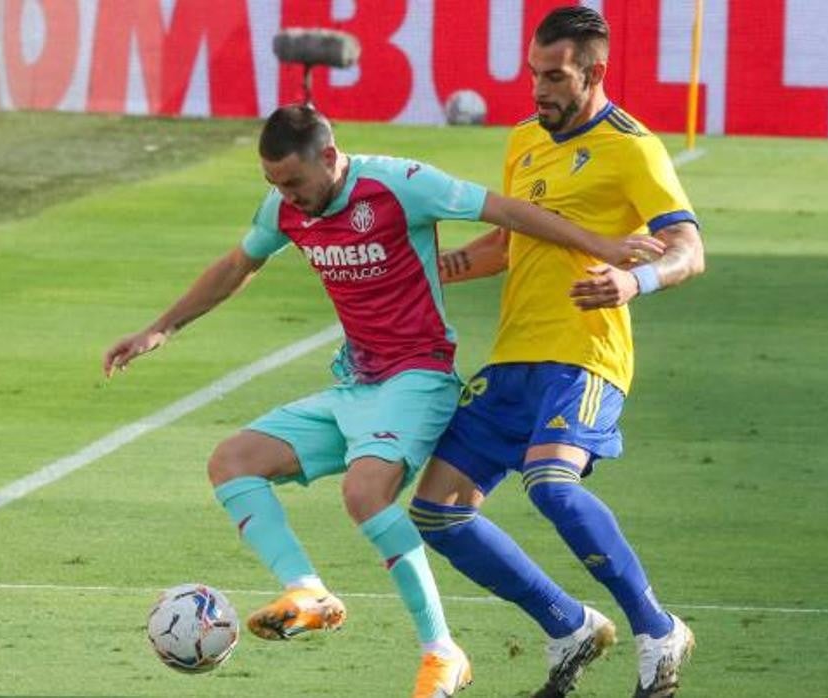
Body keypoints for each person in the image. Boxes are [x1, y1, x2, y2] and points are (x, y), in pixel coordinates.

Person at [102, 104, 664, 698]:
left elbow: (509, 212)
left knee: (364, 492)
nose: (286, 197)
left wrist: (600, 243)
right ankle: (308, 590)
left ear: (328, 155)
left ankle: (442, 652)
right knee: (231, 462)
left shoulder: (400, 184)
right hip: (357, 384)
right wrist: (160, 328)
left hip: (418, 379)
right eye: (273, 184)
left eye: (292, 182)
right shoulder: (287, 208)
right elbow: (239, 263)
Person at [409, 7, 706, 698]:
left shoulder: (633, 148)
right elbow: (511, 244)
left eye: (554, 77)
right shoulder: (524, 142)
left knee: (551, 483)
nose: (538, 91)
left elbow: (690, 251)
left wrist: (634, 279)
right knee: (437, 511)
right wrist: (437, 268)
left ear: (595, 71)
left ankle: (657, 628)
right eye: (534, 75)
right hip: (515, 356)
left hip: (586, 355)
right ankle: (569, 624)